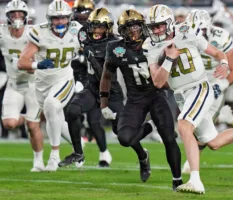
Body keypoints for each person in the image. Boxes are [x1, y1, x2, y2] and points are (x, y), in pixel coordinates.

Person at [143, 4, 233, 194]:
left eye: (159, 25)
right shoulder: (149, 45)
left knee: (184, 125)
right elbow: (158, 82)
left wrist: (224, 63)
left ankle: (195, 180)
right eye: (152, 27)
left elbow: (217, 53)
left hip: (199, 87)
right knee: (213, 142)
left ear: (169, 23)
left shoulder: (186, 32)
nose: (156, 30)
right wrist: (168, 59)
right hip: (181, 94)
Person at [100, 9, 182, 189]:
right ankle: (145, 151)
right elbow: (106, 76)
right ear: (122, 31)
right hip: (135, 99)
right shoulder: (116, 48)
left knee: (168, 137)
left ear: (143, 26)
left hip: (156, 95)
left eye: (136, 27)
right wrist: (104, 105)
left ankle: (177, 180)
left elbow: (168, 80)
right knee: (124, 138)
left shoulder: (155, 44)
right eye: (128, 28)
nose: (133, 31)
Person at [18, 0, 81, 172]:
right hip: (41, 82)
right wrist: (37, 65)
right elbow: (21, 62)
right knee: (55, 119)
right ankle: (79, 146)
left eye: (63, 18)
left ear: (69, 18)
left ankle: (54, 156)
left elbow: (90, 51)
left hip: (64, 78)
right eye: (56, 18)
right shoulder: (40, 32)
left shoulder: (78, 31)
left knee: (52, 105)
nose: (60, 22)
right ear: (49, 19)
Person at [58, 7, 123, 168]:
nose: (96, 30)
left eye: (100, 26)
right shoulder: (80, 35)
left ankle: (139, 155)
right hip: (86, 85)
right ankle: (79, 152)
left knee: (119, 133)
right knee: (73, 112)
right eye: (93, 25)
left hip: (109, 90)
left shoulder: (114, 43)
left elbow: (107, 73)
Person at [181, 9, 233, 174]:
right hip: (192, 85)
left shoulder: (221, 37)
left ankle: (192, 164)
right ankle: (223, 116)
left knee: (200, 128)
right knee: (188, 125)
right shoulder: (181, 34)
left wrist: (220, 86)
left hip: (214, 85)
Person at [0, 0, 44, 172]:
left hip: (33, 84)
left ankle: (38, 161)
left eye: (20, 14)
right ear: (8, 16)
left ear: (26, 17)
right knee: (9, 123)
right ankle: (30, 118)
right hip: (13, 84)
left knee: (33, 128)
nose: (17, 17)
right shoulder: (2, 33)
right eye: (13, 14)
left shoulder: (33, 33)